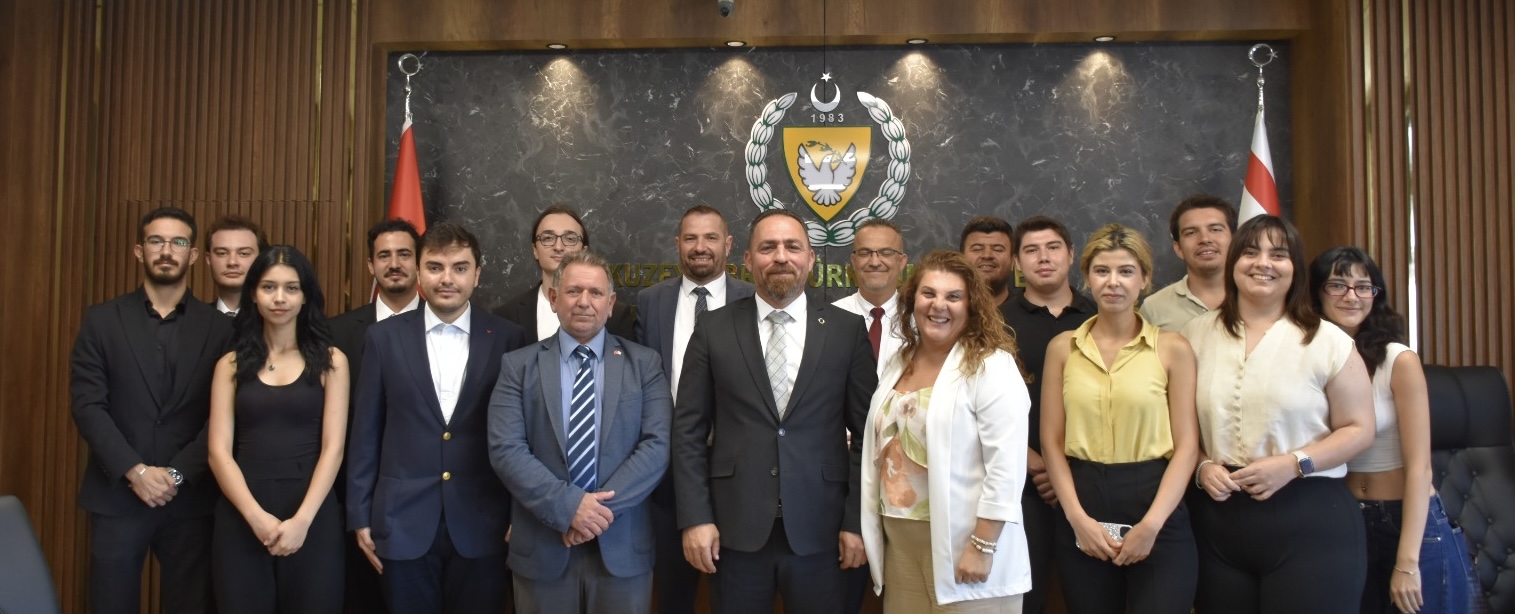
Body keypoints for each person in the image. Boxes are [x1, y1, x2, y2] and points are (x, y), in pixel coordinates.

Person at [673, 208, 878, 614]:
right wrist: (696, 518)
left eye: (792, 247)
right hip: (734, 532)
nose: (781, 256)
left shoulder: (846, 330)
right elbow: (687, 432)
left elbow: (868, 435)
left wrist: (857, 522)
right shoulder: (713, 328)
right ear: (748, 260)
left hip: (823, 533)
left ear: (811, 259)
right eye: (768, 247)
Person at [1184, 216, 1375, 614]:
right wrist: (1201, 465)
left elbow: (1359, 429)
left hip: (1309, 516)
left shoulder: (1328, 340)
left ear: (1295, 268)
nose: (1263, 263)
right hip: (1216, 519)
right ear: (1233, 262)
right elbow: (1178, 424)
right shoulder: (1193, 335)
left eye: (1278, 254)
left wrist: (1294, 463)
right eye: (1250, 252)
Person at [346, 222, 528, 613]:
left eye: (460, 268)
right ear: (418, 272)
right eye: (435, 267)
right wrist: (360, 515)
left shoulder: (508, 338)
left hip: (484, 522)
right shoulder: (383, 338)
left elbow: (520, 435)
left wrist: (520, 513)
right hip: (401, 522)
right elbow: (366, 432)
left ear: (477, 275)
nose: (447, 279)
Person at [489, 250, 673, 613]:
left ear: (611, 303)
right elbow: (506, 449)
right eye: (573, 291)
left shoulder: (645, 364)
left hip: (622, 550)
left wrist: (593, 514)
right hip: (543, 548)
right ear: (554, 298)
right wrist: (568, 507)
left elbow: (657, 446)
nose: (584, 302)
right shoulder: (518, 366)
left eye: (596, 293)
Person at [70, 206, 233, 613]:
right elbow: (88, 406)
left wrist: (176, 475)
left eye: (177, 242)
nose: (166, 250)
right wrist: (136, 471)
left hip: (191, 498)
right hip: (117, 496)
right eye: (156, 241)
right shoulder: (102, 321)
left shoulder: (221, 329)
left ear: (193, 256)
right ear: (139, 251)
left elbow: (224, 416)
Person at [859, 249, 1033, 612]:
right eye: (929, 293)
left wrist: (983, 546)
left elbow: (1006, 466)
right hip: (900, 543)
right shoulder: (899, 361)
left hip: (965, 544)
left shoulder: (991, 365)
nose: (939, 305)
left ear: (971, 306)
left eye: (954, 296)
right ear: (912, 300)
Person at [1040, 224, 1199, 613]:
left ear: (1144, 279)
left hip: (1156, 502)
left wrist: (1152, 525)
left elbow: (1188, 446)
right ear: (1087, 276)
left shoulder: (1172, 348)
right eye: (1102, 271)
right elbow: (1051, 442)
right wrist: (1076, 518)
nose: (1113, 282)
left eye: (1126, 271)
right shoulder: (1062, 348)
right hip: (1083, 500)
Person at [1309, 247, 1473, 614]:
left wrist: (1407, 563)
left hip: (1408, 522)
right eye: (1337, 285)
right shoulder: (1308, 361)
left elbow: (1420, 469)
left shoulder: (1398, 360)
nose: (1352, 296)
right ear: (1317, 293)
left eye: (1363, 287)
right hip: (1345, 519)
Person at [207, 246, 348, 613]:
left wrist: (302, 521)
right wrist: (256, 518)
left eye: (291, 288)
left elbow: (334, 448)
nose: (280, 298)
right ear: (254, 294)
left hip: (312, 512)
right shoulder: (230, 365)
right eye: (269, 287)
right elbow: (218, 452)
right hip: (242, 513)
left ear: (305, 297)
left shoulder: (332, 361)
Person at [633, 204, 754, 614]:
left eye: (711, 238)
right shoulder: (650, 302)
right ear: (677, 244)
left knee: (737, 592)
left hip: (739, 470)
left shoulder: (753, 299)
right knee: (673, 592)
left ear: (729, 245)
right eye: (690, 238)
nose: (700, 247)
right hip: (667, 473)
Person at [997, 214, 1096, 614]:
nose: (1043, 258)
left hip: (1089, 482)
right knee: (1023, 600)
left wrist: (1064, 470)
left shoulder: (1099, 317)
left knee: (1092, 597)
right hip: (1021, 484)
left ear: (1071, 254)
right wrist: (1034, 462)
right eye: (1031, 250)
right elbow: (977, 406)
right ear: (1017, 262)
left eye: (1053, 248)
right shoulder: (996, 324)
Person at [494, 203, 635, 340]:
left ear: (583, 251)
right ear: (535, 250)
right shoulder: (507, 315)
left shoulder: (618, 314)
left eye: (570, 239)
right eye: (548, 238)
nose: (558, 247)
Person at [1141, 195, 1236, 332]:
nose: (1205, 239)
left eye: (1215, 229)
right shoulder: (1153, 308)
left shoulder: (1257, 298)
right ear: (1178, 248)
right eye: (1191, 233)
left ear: (1235, 240)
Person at [834, 217, 910, 375]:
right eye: (865, 253)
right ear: (854, 261)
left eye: (886, 253)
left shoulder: (918, 320)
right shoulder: (832, 318)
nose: (875, 262)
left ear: (902, 262)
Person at [204, 215, 269, 316]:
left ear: (260, 259)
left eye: (243, 254)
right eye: (222, 253)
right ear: (209, 259)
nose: (232, 262)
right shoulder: (193, 320)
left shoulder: (273, 320)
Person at [959, 215, 1015, 306]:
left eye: (997, 249)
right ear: (961, 259)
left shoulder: (1032, 314)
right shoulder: (945, 311)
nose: (987, 255)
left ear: (1013, 261)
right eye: (977, 249)